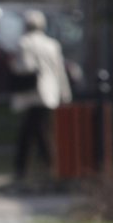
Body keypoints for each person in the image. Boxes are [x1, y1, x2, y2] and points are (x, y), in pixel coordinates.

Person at [9, 10, 72, 187]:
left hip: (32, 94)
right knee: (38, 131)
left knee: (33, 133)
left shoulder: (24, 44)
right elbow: (60, 72)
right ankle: (44, 167)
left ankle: (39, 167)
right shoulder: (52, 45)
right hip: (50, 94)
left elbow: (24, 68)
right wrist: (65, 95)